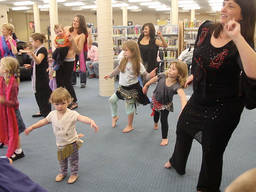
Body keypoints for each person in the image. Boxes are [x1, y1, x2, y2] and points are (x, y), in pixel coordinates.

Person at [164, 0, 256, 192]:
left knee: (212, 150)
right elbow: (198, 57)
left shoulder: (242, 42)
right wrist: (193, 75)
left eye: (231, 6)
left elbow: (253, 73)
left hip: (224, 107)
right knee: (182, 128)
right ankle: (177, 161)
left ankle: (206, 187)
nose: (223, 9)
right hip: (200, 97)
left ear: (243, 14)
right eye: (223, 3)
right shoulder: (206, 29)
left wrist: (237, 37)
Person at [25, 87, 99, 184]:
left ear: (68, 101)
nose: (60, 106)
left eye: (63, 103)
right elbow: (43, 121)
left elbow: (81, 118)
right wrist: (32, 127)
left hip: (72, 142)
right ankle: (63, 172)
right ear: (52, 103)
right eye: (57, 104)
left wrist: (91, 121)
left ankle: (74, 173)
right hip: (60, 143)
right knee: (62, 160)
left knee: (73, 160)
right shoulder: (52, 114)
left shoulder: (72, 114)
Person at [104, 40, 156, 133]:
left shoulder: (138, 64)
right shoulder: (123, 60)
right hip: (122, 87)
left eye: (126, 50)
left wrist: (150, 75)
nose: (124, 52)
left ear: (133, 51)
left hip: (132, 88)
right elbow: (117, 69)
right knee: (112, 100)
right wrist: (110, 75)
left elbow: (146, 76)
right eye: (123, 50)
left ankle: (130, 125)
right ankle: (115, 116)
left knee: (129, 107)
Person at [143, 61, 188, 146]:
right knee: (156, 115)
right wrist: (146, 85)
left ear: (179, 73)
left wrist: (183, 110)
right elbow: (153, 79)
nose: (170, 70)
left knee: (163, 120)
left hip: (165, 105)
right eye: (170, 67)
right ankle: (155, 122)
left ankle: (164, 138)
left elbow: (183, 97)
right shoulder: (162, 76)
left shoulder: (176, 86)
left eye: (173, 69)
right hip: (155, 101)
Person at [0, 57, 26, 161]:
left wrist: (3, 101)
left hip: (13, 112)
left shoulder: (13, 84)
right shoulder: (2, 80)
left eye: (0, 66)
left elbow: (14, 102)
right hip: (4, 111)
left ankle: (19, 151)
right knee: (10, 131)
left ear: (6, 70)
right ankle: (13, 147)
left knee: (15, 132)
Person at [24, 33, 52, 118]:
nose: (31, 43)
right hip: (38, 75)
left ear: (37, 41)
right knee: (38, 94)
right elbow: (37, 63)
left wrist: (32, 54)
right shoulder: (37, 49)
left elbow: (39, 61)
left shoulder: (42, 49)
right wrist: (31, 65)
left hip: (42, 76)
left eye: (32, 41)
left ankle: (47, 112)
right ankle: (42, 110)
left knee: (43, 93)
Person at [70, 15, 92, 89]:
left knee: (82, 65)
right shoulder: (70, 30)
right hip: (72, 50)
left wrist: (90, 34)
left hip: (82, 50)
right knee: (73, 64)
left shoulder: (84, 32)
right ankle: (73, 81)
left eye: (77, 21)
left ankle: (83, 82)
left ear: (81, 23)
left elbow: (89, 43)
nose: (75, 22)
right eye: (74, 20)